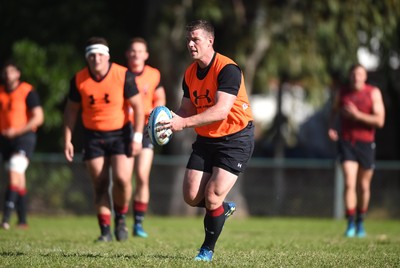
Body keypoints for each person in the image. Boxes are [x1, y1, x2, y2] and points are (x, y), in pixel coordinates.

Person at [158, 20, 254, 262]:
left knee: (211, 195)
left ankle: (206, 250)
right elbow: (186, 109)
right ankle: (223, 208)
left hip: (235, 137)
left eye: (196, 39)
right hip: (206, 138)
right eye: (188, 40)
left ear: (210, 41)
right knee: (191, 196)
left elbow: (221, 111)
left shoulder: (228, 69)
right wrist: (169, 122)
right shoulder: (189, 73)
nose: (191, 44)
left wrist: (183, 123)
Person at [63, 37, 145, 242]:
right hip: (93, 136)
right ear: (87, 58)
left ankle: (121, 219)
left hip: (121, 134)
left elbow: (138, 107)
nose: (96, 58)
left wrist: (136, 137)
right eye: (91, 55)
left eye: (100, 54)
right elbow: (71, 110)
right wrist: (68, 139)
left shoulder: (122, 75)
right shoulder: (79, 79)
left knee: (122, 180)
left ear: (107, 56)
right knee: (100, 183)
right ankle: (105, 231)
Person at [328, 63, 385, 238]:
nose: (356, 77)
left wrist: (357, 115)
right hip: (347, 142)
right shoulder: (342, 92)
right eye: (353, 74)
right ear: (350, 76)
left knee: (363, 185)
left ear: (365, 76)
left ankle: (361, 220)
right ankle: (350, 223)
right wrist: (331, 127)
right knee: (350, 183)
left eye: (360, 74)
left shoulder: (373, 93)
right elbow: (334, 111)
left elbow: (380, 121)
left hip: (366, 143)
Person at [125, 37, 166, 238]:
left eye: (140, 51)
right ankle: (121, 218)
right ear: (128, 54)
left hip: (146, 129)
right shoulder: (120, 75)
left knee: (142, 176)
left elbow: (160, 98)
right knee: (123, 179)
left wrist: (158, 115)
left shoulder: (154, 75)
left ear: (146, 55)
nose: (136, 54)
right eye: (133, 51)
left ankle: (138, 223)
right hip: (124, 128)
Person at [0, 60, 44, 230]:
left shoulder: (27, 91)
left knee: (13, 173)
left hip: (24, 138)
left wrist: (17, 131)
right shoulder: (1, 92)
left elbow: (38, 117)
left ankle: (5, 218)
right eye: (5, 72)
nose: (7, 75)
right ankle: (23, 220)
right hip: (6, 140)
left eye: (11, 71)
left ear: (18, 74)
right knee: (19, 179)